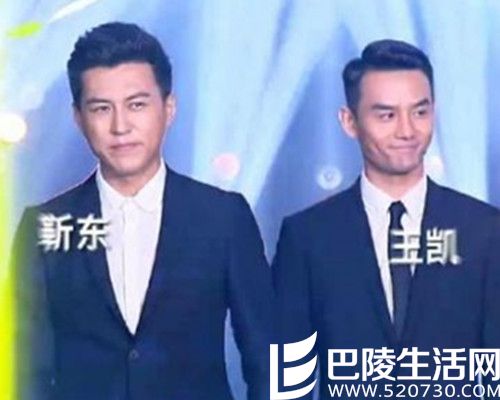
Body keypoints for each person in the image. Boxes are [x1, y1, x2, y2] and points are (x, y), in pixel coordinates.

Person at [13, 21, 272, 400]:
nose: (121, 126)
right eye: (101, 108)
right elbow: (24, 376)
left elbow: (268, 357)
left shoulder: (223, 218)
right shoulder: (43, 227)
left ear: (168, 108)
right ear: (78, 118)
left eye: (137, 105)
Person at [272, 39, 500, 399]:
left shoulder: (483, 231)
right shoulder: (308, 237)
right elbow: (287, 376)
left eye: (420, 112)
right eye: (386, 115)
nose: (407, 130)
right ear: (349, 121)